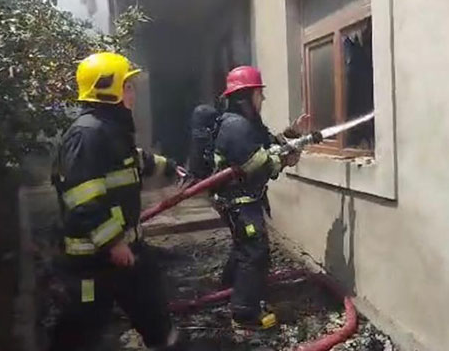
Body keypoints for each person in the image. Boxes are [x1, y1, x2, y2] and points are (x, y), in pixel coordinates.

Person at [50, 52, 183, 350]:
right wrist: (113, 242)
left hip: (126, 252)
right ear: (107, 89)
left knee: (155, 316)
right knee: (80, 331)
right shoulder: (87, 134)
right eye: (128, 86)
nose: (133, 92)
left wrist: (172, 168)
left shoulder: (111, 129)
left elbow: (134, 159)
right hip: (92, 261)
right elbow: (83, 199)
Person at [213, 65, 305, 333]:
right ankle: (245, 312)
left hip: (243, 199)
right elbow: (259, 165)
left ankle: (230, 288)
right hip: (238, 202)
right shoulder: (236, 127)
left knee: (244, 247)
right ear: (246, 96)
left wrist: (292, 136)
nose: (262, 98)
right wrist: (285, 160)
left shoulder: (248, 123)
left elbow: (268, 142)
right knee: (255, 252)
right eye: (259, 94)